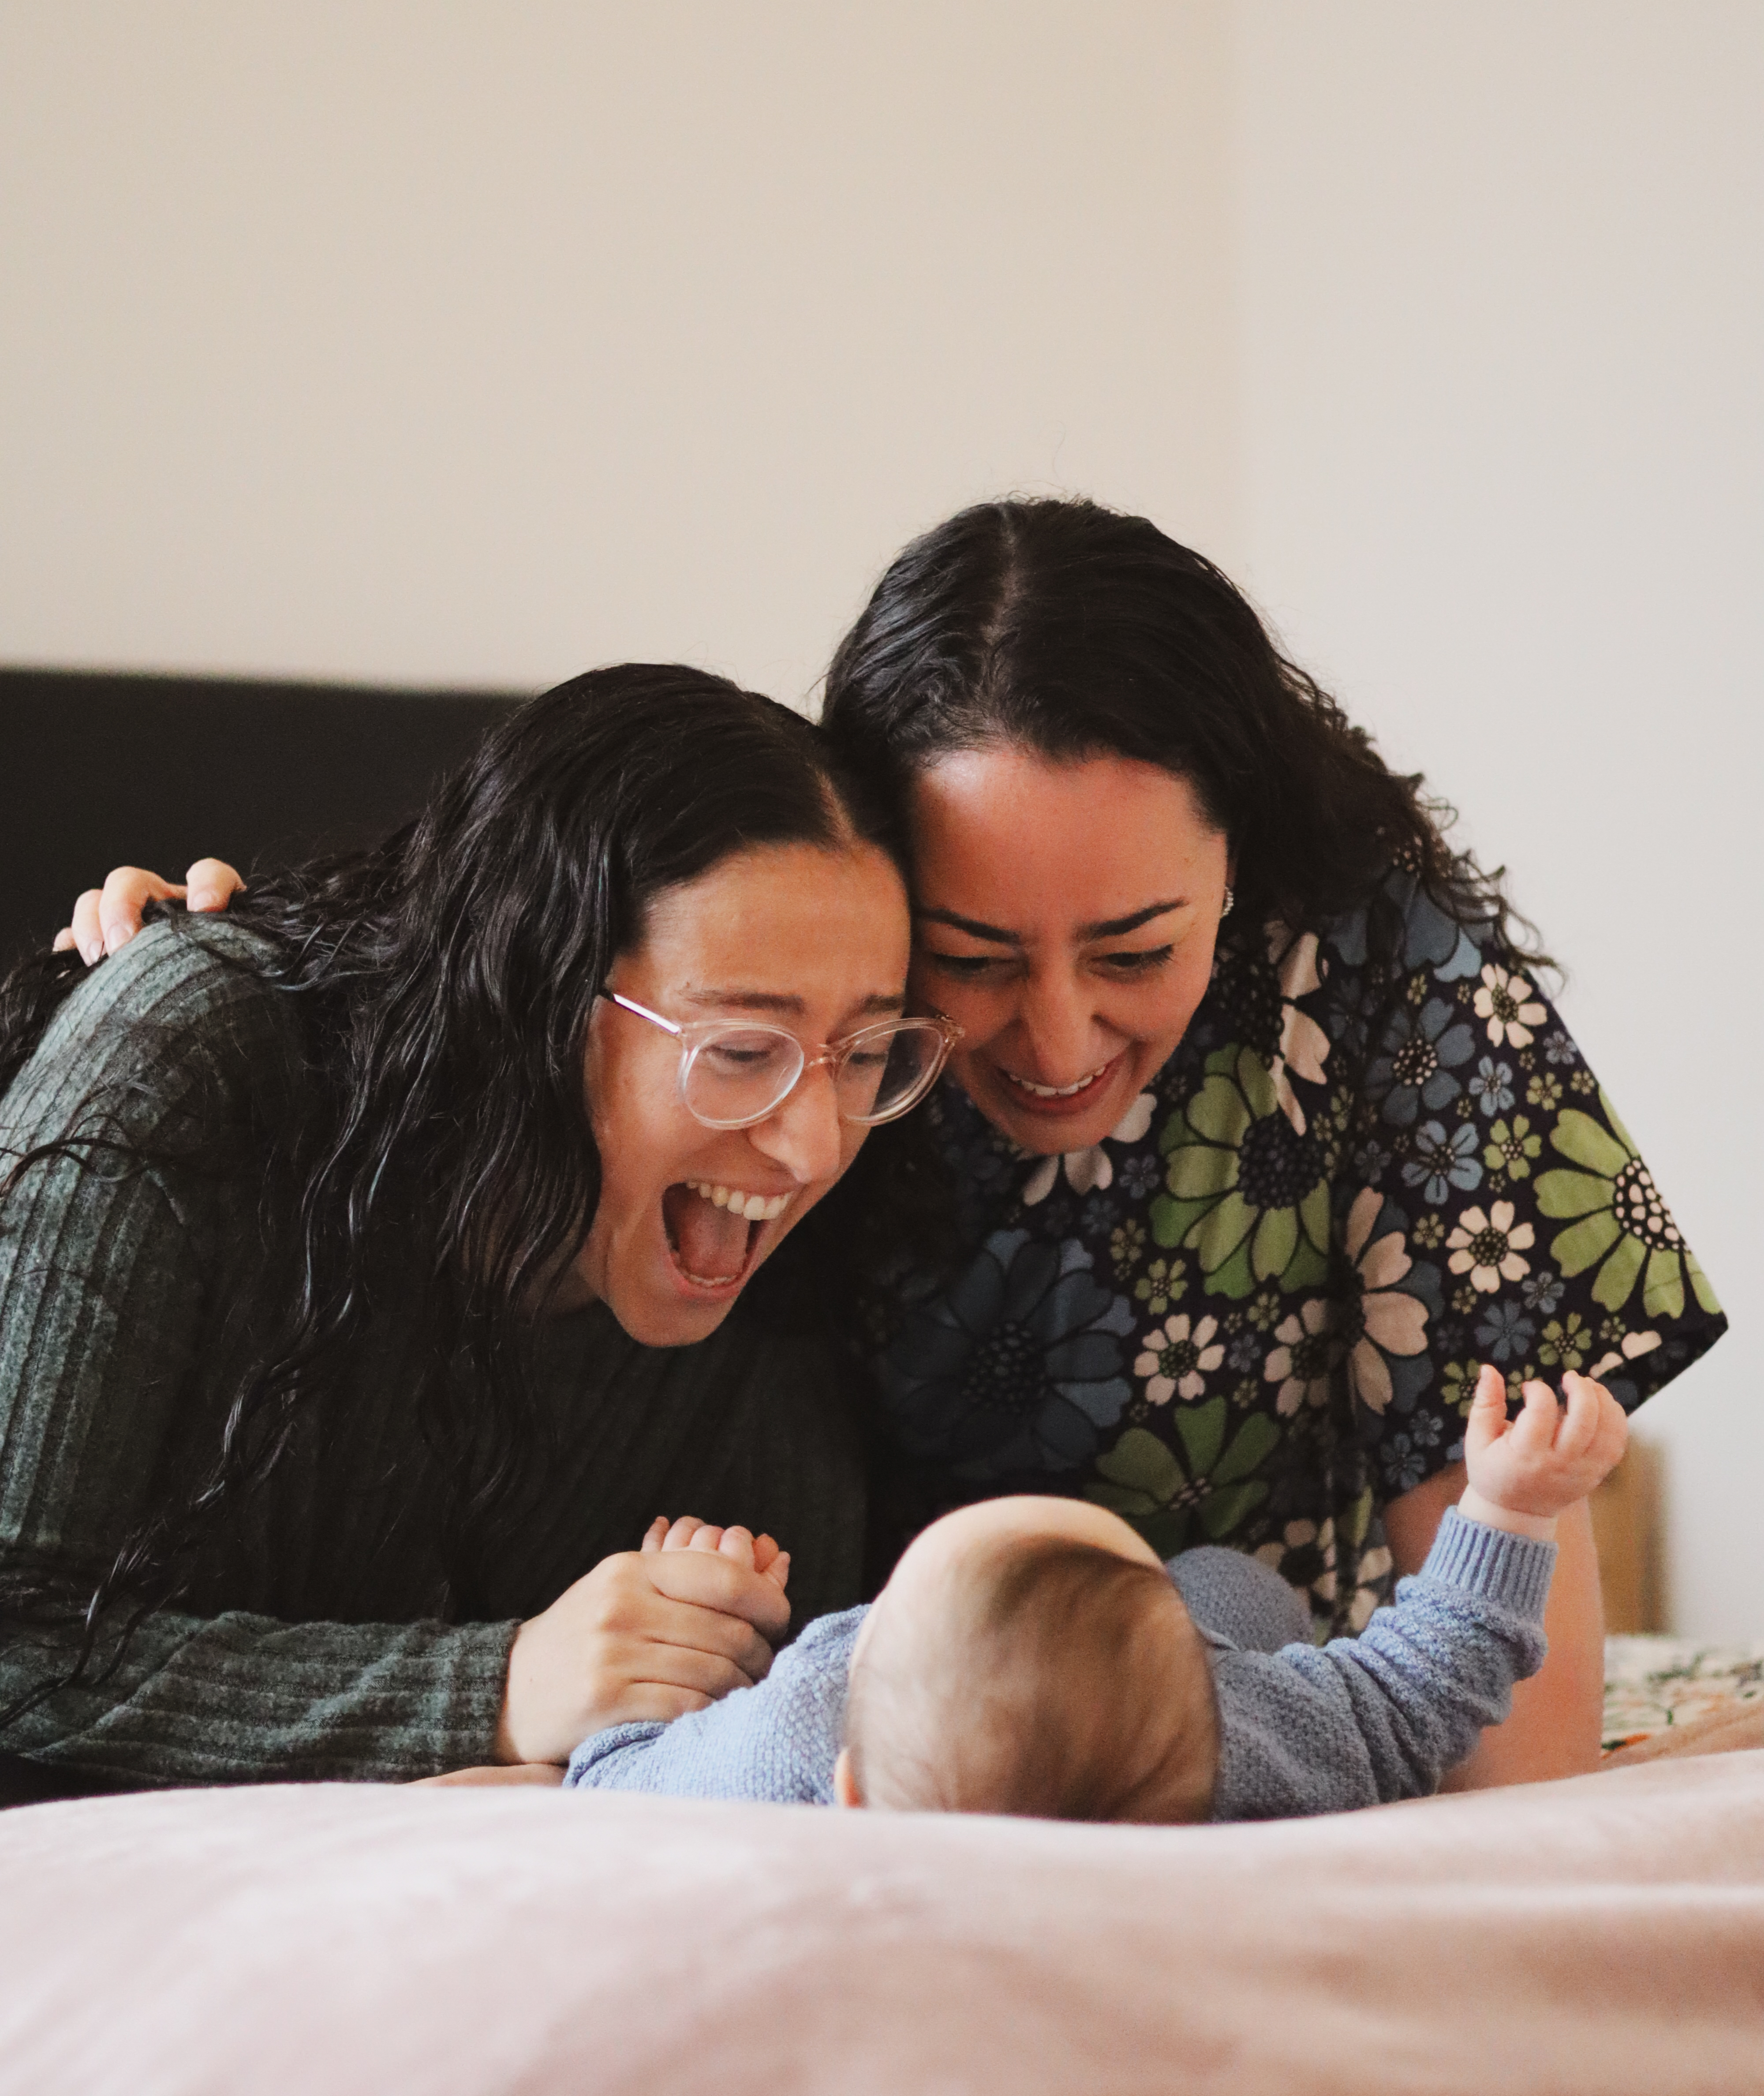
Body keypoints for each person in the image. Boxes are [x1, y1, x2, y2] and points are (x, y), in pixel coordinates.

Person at [62, 498, 1727, 1785]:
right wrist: (245, 984)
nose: (1055, 1045)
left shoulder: (1384, 989)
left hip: (1239, 1702)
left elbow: (1508, 1625)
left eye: (1137, 950)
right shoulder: (731, 1069)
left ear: (1241, 866)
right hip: (872, 1702)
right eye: (971, 959)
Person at [0, 665, 960, 1794]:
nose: (813, 1147)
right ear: (528, 1001)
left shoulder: (783, 1326)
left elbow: (776, 1765)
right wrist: (494, 1693)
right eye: (742, 1052)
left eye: (864, 1054)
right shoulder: (197, 1054)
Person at [553, 1362, 1620, 1820]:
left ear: (848, 1795)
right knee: (1230, 1583)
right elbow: (1418, 1685)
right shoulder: (1236, 1735)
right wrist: (1506, 1509)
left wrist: (695, 1612)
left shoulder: (793, 1730)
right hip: (1190, 1646)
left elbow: (611, 1780)